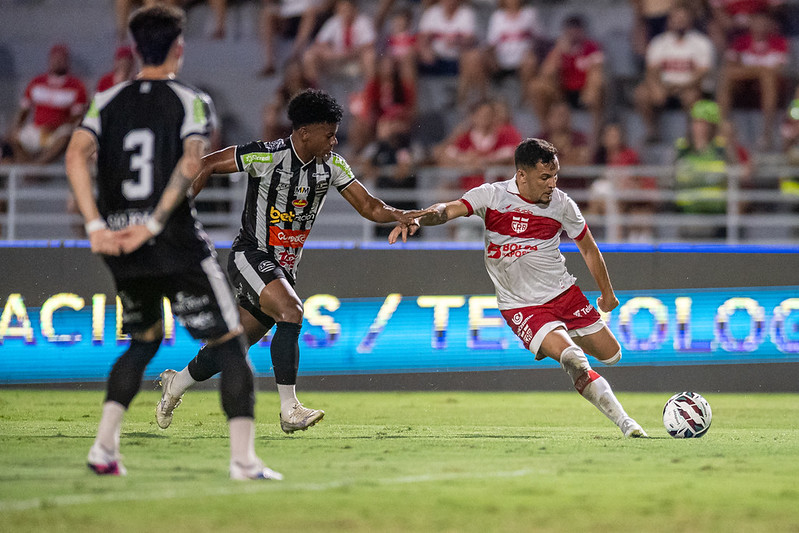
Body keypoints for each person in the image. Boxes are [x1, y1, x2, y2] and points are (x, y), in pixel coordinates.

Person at [65, 5, 280, 480]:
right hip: (176, 241)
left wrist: (95, 225)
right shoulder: (192, 100)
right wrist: (155, 221)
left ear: (136, 47)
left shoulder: (106, 99)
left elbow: (76, 154)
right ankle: (244, 462)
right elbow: (190, 162)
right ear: (179, 48)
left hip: (120, 241)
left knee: (142, 342)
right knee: (230, 345)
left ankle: (103, 449)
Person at [155, 88, 418, 434]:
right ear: (304, 133)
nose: (334, 142)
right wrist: (180, 213)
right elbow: (208, 163)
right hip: (251, 255)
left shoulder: (333, 166)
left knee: (231, 346)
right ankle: (289, 410)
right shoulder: (266, 155)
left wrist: (399, 214)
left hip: (284, 268)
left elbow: (369, 206)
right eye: (329, 134)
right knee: (292, 312)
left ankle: (175, 384)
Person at [389, 138, 647, 438]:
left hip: (563, 293)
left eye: (555, 176)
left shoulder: (562, 204)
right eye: (545, 177)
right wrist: (421, 218)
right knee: (573, 359)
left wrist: (608, 294)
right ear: (521, 175)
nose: (552, 184)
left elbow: (589, 249)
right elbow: (448, 209)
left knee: (612, 354)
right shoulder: (493, 196)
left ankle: (550, 339)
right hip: (522, 305)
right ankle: (627, 423)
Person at [633, 5, 716, 143]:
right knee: (641, 94)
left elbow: (703, 72)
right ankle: (652, 132)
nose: (679, 22)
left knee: (692, 97)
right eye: (676, 18)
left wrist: (683, 85)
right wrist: (656, 87)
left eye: (682, 18)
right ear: (670, 21)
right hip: (665, 86)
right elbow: (651, 70)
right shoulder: (659, 42)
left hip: (690, 86)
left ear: (690, 20)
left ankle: (690, 137)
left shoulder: (701, 42)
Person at [716, 11, 788, 150]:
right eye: (757, 22)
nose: (760, 26)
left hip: (770, 87)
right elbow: (730, 66)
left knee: (768, 79)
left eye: (763, 23)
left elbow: (778, 70)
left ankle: (766, 133)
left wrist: (753, 70)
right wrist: (759, 70)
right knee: (726, 75)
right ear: (751, 24)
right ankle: (722, 128)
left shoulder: (779, 43)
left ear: (769, 24)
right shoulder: (740, 42)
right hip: (744, 86)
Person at [526, 14, 605, 141]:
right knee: (536, 87)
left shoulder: (591, 47)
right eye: (570, 30)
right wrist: (558, 52)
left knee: (597, 82)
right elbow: (546, 73)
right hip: (563, 93)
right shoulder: (559, 49)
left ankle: (596, 133)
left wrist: (589, 90)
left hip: (584, 92)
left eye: (576, 29)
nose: (573, 33)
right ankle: (546, 131)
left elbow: (598, 69)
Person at [6, 44, 88, 164]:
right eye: (55, 58)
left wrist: (54, 127)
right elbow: (24, 110)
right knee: (14, 136)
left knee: (66, 136)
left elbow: (76, 117)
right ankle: (29, 169)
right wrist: (17, 126)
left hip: (58, 131)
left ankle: (39, 166)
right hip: (38, 130)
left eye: (61, 59)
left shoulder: (76, 86)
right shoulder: (36, 82)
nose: (58, 62)